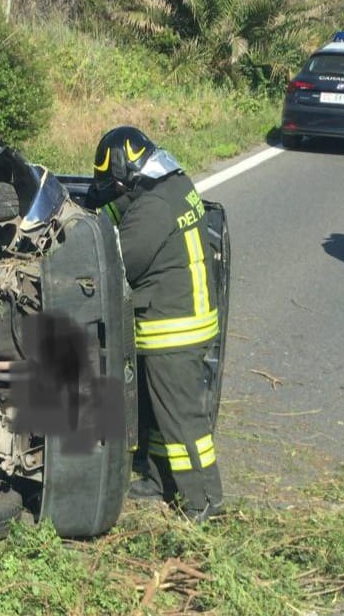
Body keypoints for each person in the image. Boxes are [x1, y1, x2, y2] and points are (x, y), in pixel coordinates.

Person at [86, 126, 223, 520]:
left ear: (126, 174)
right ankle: (160, 479)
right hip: (186, 317)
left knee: (182, 421)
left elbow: (120, 262)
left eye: (114, 183)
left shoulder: (152, 208)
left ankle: (205, 501)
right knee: (160, 412)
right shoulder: (173, 185)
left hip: (173, 328)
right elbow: (124, 207)